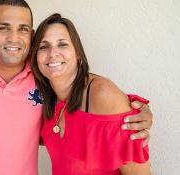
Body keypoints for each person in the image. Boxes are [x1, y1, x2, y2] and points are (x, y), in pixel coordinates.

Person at [0, 0, 153, 174]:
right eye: (3, 27)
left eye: (23, 29)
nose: (13, 37)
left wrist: (139, 110)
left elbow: (101, 106)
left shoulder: (44, 75)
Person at [30, 13, 151, 175]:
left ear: (78, 53)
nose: (53, 53)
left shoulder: (102, 94)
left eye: (62, 44)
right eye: (43, 46)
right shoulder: (47, 98)